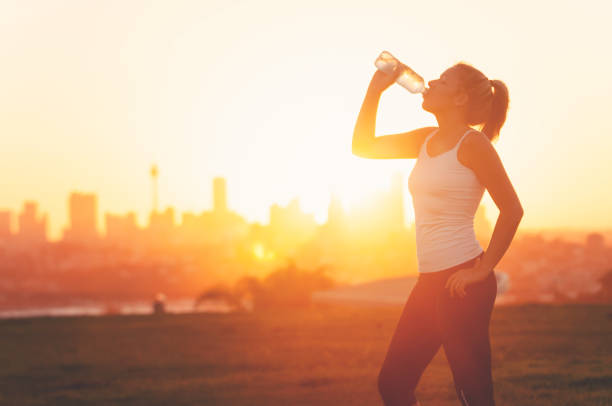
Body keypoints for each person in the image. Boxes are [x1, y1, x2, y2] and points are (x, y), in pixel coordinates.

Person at [352, 61, 524, 406]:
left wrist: (482, 269)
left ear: (460, 98)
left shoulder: (473, 144)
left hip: (462, 282)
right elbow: (363, 147)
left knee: (472, 394)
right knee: (394, 384)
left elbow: (512, 209)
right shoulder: (424, 140)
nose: (430, 81)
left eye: (443, 81)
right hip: (429, 281)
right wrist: (375, 90)